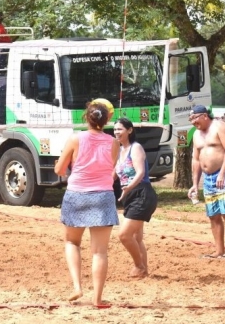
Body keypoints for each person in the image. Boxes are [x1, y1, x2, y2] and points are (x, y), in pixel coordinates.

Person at [54, 99, 119, 307]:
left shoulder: (75, 139)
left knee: (72, 242)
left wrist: (60, 163)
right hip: (103, 196)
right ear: (108, 118)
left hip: (77, 194)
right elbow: (110, 168)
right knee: (100, 252)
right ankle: (98, 299)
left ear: (86, 117)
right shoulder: (114, 142)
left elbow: (60, 170)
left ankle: (77, 287)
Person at [187, 104, 225, 260]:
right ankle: (219, 250)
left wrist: (222, 173)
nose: (193, 122)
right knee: (213, 214)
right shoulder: (196, 134)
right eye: (190, 119)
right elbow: (196, 160)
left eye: (195, 118)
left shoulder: (220, 127)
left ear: (204, 115)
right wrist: (195, 184)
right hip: (209, 178)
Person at [113, 117, 157, 278]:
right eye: (115, 129)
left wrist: (129, 187)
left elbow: (140, 173)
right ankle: (143, 270)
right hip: (130, 196)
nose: (116, 132)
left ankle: (139, 266)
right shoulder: (119, 151)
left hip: (142, 194)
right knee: (137, 238)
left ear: (130, 130)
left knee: (124, 235)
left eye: (120, 129)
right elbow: (114, 175)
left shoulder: (136, 148)